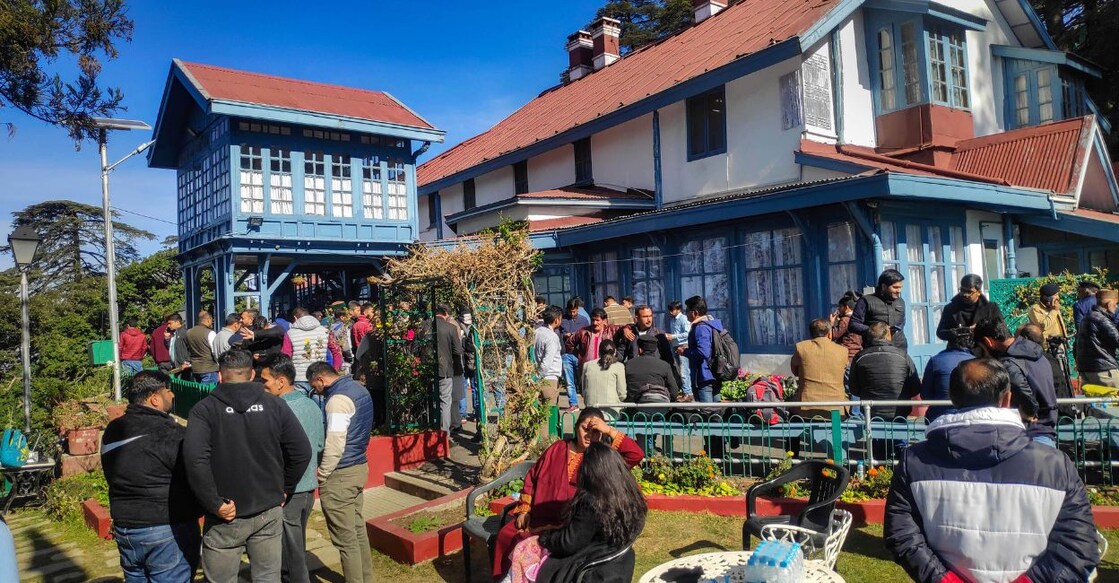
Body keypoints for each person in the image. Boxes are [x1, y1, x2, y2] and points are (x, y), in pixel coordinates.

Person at [884, 358, 1099, 583]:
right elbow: (1079, 545)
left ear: (953, 398)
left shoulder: (915, 462)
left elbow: (903, 535)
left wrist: (945, 580)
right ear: (1007, 399)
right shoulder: (1055, 465)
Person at [183, 349, 312, 583]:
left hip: (226, 513)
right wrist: (286, 487)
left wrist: (213, 503)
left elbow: (194, 461)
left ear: (220, 377)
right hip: (267, 509)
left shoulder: (204, 410)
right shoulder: (275, 405)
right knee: (268, 578)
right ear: (252, 374)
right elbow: (302, 451)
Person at [492, 408, 644, 580]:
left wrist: (609, 430)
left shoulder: (603, 460)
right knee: (507, 534)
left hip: (575, 524)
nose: (589, 435)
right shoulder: (557, 448)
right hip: (541, 516)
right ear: (576, 427)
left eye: (595, 431)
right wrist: (525, 509)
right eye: (585, 429)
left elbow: (635, 454)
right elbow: (532, 478)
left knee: (525, 545)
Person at [102, 370, 202, 581]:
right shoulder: (169, 432)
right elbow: (193, 475)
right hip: (165, 529)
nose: (172, 395)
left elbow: (111, 472)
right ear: (155, 399)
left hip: (126, 529)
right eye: (168, 390)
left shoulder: (113, 430)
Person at [307, 361, 375, 583]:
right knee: (357, 530)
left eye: (314, 386)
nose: (315, 391)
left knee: (345, 540)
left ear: (320, 380)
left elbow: (336, 441)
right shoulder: (359, 389)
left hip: (340, 473)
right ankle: (367, 577)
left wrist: (323, 473)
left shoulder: (337, 400)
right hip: (358, 466)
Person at [260, 355, 324, 583]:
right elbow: (319, 445)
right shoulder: (311, 404)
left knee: (290, 553)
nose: (262, 386)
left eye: (265, 381)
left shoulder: (276, 410)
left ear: (281, 381)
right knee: (296, 545)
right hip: (308, 490)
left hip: (287, 491)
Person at [974, 318, 1058, 447]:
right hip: (1046, 432)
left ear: (988, 342)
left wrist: (1029, 411)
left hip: (1027, 435)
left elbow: (1021, 387)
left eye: (981, 349)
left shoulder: (1009, 363)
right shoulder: (1038, 355)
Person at [849, 322, 921, 420]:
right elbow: (915, 388)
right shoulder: (903, 356)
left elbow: (853, 389)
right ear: (887, 336)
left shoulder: (860, 357)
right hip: (899, 414)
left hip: (870, 413)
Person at [790, 319, 849, 419]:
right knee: (837, 433)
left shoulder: (801, 347)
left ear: (811, 333)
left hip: (806, 407)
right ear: (829, 333)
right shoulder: (842, 351)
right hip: (836, 408)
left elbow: (795, 370)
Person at [920, 327, 974, 422]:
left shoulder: (935, 360)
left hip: (938, 418)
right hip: (968, 418)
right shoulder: (976, 362)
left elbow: (925, 395)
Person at [850, 269, 908, 350]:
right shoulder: (866, 301)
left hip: (899, 347)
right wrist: (874, 331)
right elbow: (853, 324)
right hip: (876, 348)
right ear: (884, 286)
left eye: (900, 287)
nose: (899, 291)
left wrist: (896, 328)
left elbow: (902, 321)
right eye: (895, 287)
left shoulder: (900, 302)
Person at [684, 295, 726, 403]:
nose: (686, 314)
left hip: (704, 375)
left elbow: (704, 352)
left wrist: (685, 351)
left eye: (687, 311)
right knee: (716, 412)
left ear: (695, 313)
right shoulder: (712, 324)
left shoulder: (700, 327)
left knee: (707, 412)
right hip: (715, 372)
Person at [935, 274, 1004, 341]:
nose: (965, 294)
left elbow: (1001, 329)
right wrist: (964, 331)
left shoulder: (991, 308)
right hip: (958, 349)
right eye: (962, 290)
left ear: (978, 292)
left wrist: (982, 328)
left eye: (969, 292)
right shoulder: (950, 308)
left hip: (983, 349)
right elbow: (940, 332)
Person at [1076, 288, 1119, 389]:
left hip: (1087, 369)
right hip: (1104, 371)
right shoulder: (1101, 319)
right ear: (1109, 304)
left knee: (1093, 403)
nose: (1116, 307)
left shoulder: (1087, 317)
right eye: (1115, 304)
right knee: (1112, 403)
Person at [565, 308, 620, 386]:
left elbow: (625, 328)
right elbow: (569, 343)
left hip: (606, 368)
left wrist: (626, 329)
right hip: (588, 369)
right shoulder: (583, 332)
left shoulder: (611, 330)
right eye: (593, 320)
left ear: (604, 320)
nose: (594, 323)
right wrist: (579, 355)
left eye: (597, 320)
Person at [286, 307, 332, 396]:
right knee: (319, 407)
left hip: (299, 377)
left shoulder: (290, 333)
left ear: (295, 318)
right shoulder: (326, 331)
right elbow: (336, 352)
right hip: (320, 376)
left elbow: (286, 356)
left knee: (301, 407)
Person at [435, 304, 465, 434]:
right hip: (446, 369)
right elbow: (458, 350)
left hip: (428, 369)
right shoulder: (451, 328)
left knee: (432, 400)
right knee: (445, 402)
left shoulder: (424, 326)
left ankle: (432, 428)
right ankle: (444, 434)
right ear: (445, 313)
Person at [624, 334, 680, 402]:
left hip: (633, 408)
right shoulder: (664, 365)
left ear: (640, 349)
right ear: (655, 349)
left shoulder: (629, 364)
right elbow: (674, 390)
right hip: (659, 408)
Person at [582, 339, 627, 419]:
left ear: (599, 352)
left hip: (590, 410)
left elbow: (584, 390)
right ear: (615, 352)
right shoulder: (619, 366)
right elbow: (622, 394)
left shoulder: (587, 365)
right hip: (611, 412)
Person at [560, 298, 591, 412]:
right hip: (567, 354)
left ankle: (588, 404)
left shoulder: (584, 320)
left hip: (580, 354)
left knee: (583, 380)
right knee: (569, 381)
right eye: (570, 312)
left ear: (578, 309)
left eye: (574, 311)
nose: (572, 314)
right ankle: (573, 403)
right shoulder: (562, 320)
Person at [535, 306, 564, 408]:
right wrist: (538, 377)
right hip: (548, 378)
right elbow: (546, 362)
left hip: (538, 376)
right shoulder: (552, 337)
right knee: (548, 416)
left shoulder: (536, 332)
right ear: (556, 320)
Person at [664, 300, 694, 399]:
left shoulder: (683, 319)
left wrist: (673, 336)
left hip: (683, 345)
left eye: (672, 309)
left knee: (684, 370)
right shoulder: (672, 320)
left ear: (679, 309)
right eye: (670, 309)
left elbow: (687, 333)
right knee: (678, 369)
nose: (670, 312)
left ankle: (688, 393)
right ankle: (685, 391)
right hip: (675, 346)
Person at [184, 310, 219, 383]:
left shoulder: (189, 332)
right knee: (209, 392)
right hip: (209, 368)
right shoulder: (210, 333)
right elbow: (215, 351)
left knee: (200, 391)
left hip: (195, 368)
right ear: (209, 320)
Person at [830, 291, 863, 362]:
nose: (838, 309)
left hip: (847, 354)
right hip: (857, 353)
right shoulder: (858, 319)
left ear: (846, 307)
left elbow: (833, 335)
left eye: (840, 307)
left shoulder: (845, 320)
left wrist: (832, 323)